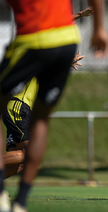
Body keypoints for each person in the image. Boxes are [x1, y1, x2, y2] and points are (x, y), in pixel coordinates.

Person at [0, 1, 108, 212]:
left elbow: (37, 19)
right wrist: (97, 27)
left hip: (32, 43)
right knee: (25, 154)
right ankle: (20, 203)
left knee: (22, 156)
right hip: (66, 43)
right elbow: (53, 20)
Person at [2, 6, 92, 180]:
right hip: (19, 106)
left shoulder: (40, 50)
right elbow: (54, 27)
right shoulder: (34, 43)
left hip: (21, 107)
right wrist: (80, 15)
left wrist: (66, 62)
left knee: (18, 165)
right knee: (29, 155)